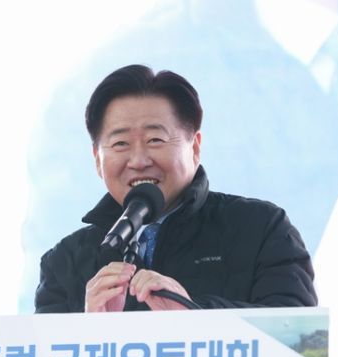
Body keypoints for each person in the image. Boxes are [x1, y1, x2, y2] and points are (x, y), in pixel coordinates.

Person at [34, 64, 317, 313]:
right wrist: (86, 331)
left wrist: (194, 314)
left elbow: (299, 338)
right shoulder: (63, 262)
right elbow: (44, 355)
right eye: (120, 144)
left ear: (195, 148)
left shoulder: (261, 228)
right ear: (98, 159)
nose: (139, 160)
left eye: (155, 140)